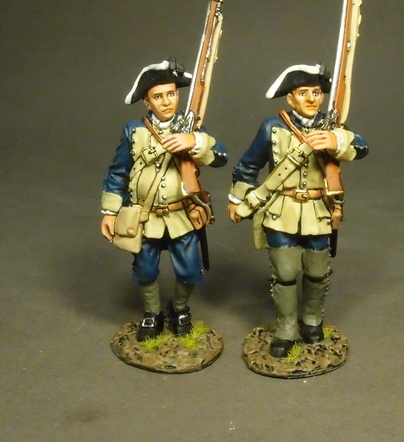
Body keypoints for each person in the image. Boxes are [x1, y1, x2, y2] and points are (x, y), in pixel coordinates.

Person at [228, 63, 368, 358]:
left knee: (317, 272)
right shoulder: (272, 126)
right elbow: (248, 165)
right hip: (281, 210)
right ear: (290, 98)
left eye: (316, 92)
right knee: (285, 273)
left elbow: (361, 147)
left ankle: (313, 321)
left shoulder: (332, 128)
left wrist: (337, 140)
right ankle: (286, 329)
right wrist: (237, 199)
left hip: (319, 210)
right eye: (303, 93)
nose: (311, 98)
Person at [101, 58, 227, 341]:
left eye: (171, 93)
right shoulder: (134, 131)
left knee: (190, 271)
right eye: (158, 96)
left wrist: (194, 142)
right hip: (145, 217)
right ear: (147, 102)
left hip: (182, 215)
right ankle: (152, 313)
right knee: (145, 270)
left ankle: (179, 308)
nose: (167, 101)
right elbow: (118, 172)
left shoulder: (192, 128)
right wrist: (110, 211)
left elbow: (221, 157)